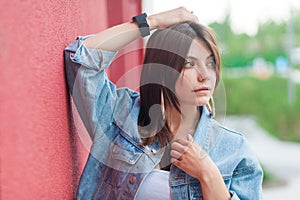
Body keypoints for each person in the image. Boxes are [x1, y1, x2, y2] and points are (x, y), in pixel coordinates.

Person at [64, 7, 263, 200]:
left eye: (210, 63)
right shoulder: (122, 115)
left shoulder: (234, 150)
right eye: (190, 63)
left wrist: (207, 174)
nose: (205, 76)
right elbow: (80, 59)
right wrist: (151, 22)